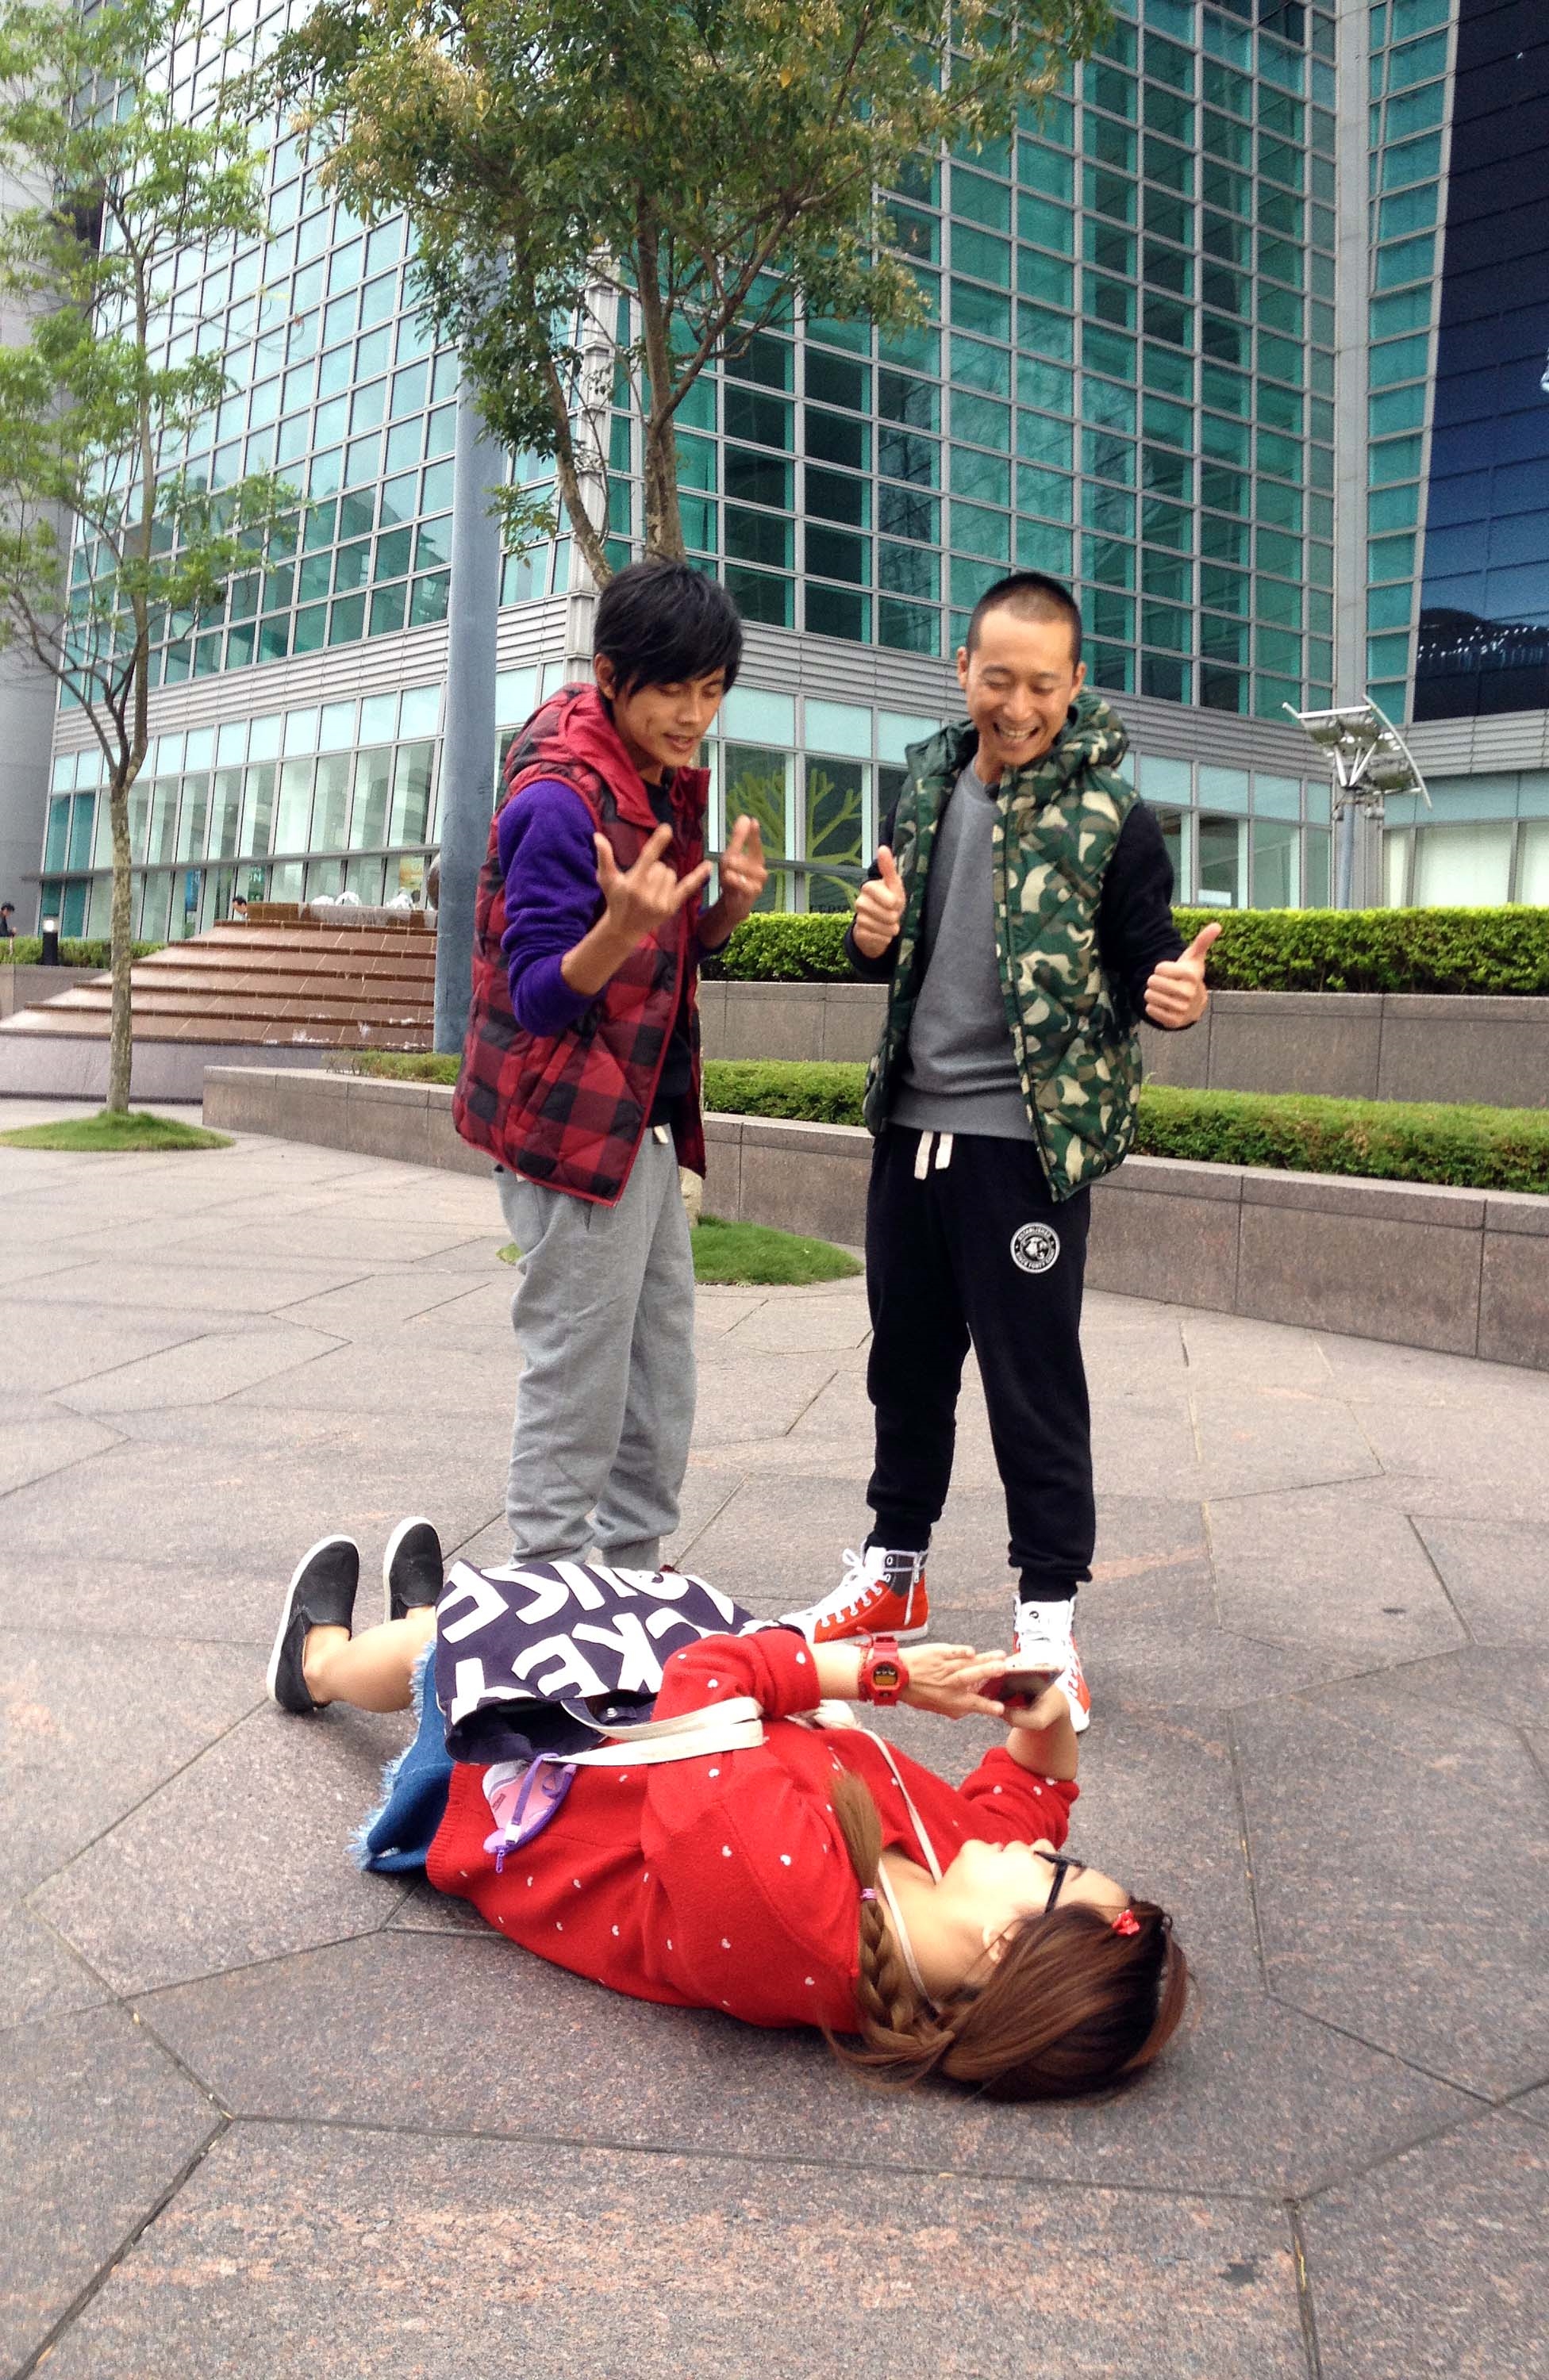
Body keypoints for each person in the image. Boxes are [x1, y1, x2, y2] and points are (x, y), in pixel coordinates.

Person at [267, 1527, 1192, 2099]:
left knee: (444, 1647)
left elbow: (703, 1679)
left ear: (1000, 1948)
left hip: (528, 1779)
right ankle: (427, 1617)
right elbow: (1035, 1797)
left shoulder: (784, 1911)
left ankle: (321, 1664)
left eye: (1057, 1870)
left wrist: (885, 1673)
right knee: (526, 1618)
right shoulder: (957, 1881)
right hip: (638, 1738)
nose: (1040, 1849)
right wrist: (1043, 1714)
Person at [779, 573, 1220, 1732]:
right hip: (910, 1126)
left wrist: (1174, 996)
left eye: (1040, 684)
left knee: (1033, 1384)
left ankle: (1046, 1621)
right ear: (962, 670)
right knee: (904, 1366)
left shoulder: (1114, 818)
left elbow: (1149, 963)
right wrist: (868, 936)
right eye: (996, 679)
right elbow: (888, 941)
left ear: (1075, 685)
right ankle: (894, 1571)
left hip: (1025, 1145)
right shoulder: (923, 786)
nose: (1015, 706)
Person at [453, 559, 768, 1577]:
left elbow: (662, 958)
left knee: (659, 1364)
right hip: (572, 1124)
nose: (695, 715)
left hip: (640, 1118)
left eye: (712, 689)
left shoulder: (646, 775)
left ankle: (633, 1575)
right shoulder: (559, 799)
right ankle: (546, 1581)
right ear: (610, 677)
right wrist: (622, 929)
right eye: (673, 689)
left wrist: (722, 914)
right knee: (579, 1371)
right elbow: (538, 994)